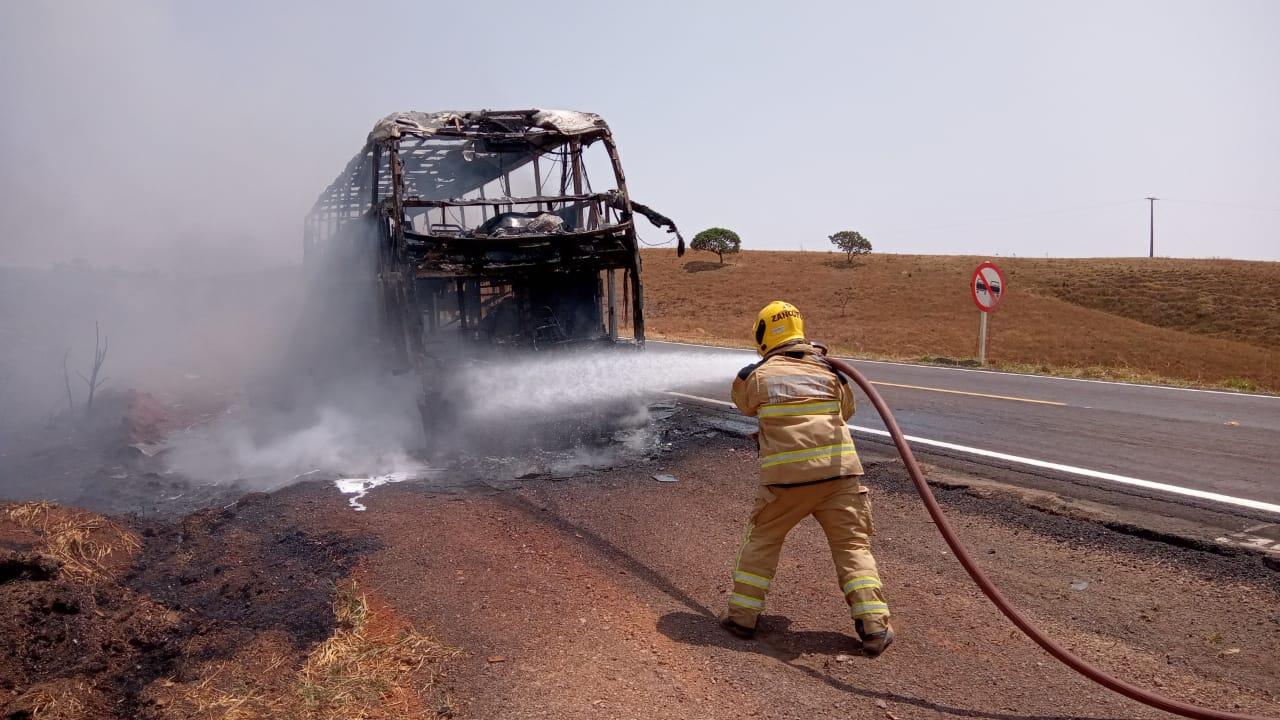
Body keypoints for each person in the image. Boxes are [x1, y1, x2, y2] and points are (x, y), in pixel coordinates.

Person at [720, 300, 894, 657]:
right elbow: (846, 410)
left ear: (764, 334)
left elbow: (743, 403)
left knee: (763, 541)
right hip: (840, 479)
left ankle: (741, 618)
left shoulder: (756, 375)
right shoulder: (832, 372)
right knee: (853, 549)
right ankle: (874, 627)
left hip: (786, 485)